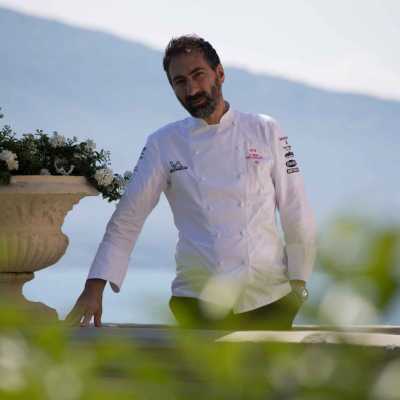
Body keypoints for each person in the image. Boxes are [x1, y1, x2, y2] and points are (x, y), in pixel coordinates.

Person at [66, 35, 316, 330]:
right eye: (180, 81)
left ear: (219, 74)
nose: (192, 89)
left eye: (198, 75)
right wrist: (93, 289)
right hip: (197, 303)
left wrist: (299, 284)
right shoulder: (163, 143)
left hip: (269, 300)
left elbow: (295, 209)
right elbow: (128, 218)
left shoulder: (266, 130)